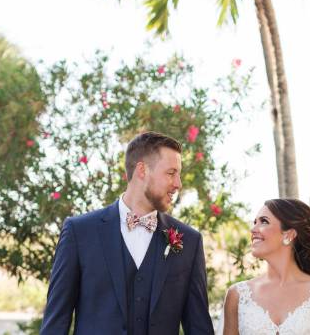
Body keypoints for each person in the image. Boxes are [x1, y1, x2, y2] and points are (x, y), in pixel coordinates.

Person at [41, 131, 214, 335]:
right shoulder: (80, 232)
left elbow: (199, 327)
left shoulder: (190, 241)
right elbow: (55, 323)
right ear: (142, 170)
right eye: (171, 173)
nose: (178, 184)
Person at [221, 198, 310, 335]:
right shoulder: (237, 295)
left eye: (264, 221)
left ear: (289, 234)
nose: (253, 229)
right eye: (254, 222)